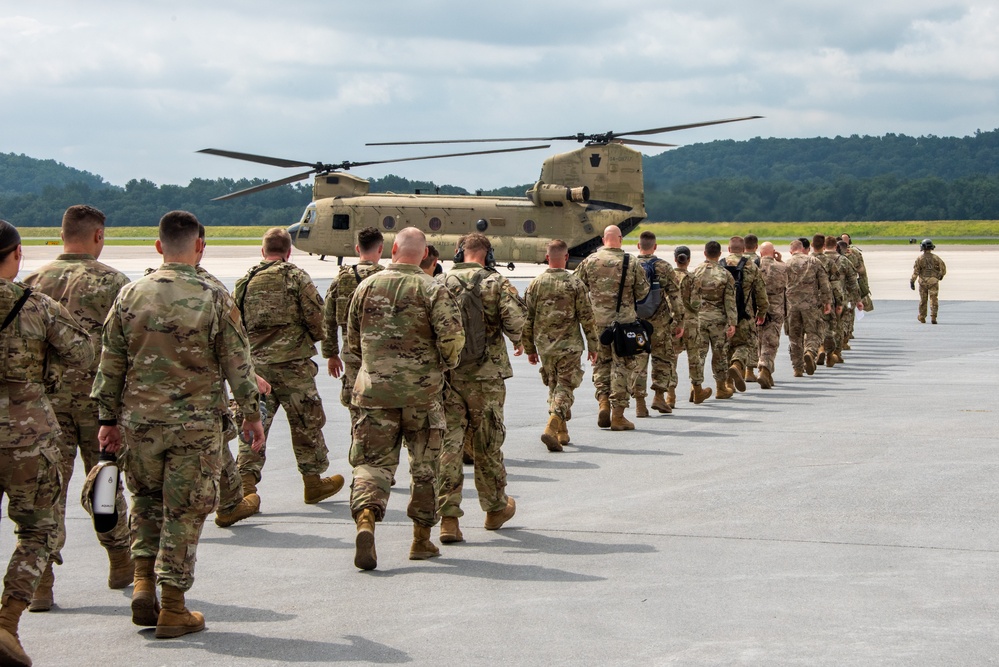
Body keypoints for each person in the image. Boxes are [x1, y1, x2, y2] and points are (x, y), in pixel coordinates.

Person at [93, 210, 264, 638]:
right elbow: (238, 366)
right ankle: (172, 607)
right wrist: (251, 416)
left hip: (140, 424)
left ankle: (142, 582)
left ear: (158, 247)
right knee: (185, 513)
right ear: (200, 246)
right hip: (195, 425)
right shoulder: (214, 295)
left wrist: (108, 420)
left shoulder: (130, 294)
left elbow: (110, 364)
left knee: (146, 504)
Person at [21, 205, 132, 612]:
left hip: (45, 406)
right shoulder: (114, 283)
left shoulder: (33, 281)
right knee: (105, 482)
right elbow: (125, 348)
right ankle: (120, 559)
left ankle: (40, 581)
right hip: (98, 404)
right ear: (98, 236)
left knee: (45, 491)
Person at [0, 219, 94, 667]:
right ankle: (7, 621)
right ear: (16, 255)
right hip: (28, 433)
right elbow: (83, 352)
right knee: (38, 530)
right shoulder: (35, 305)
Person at [346, 227, 464, 570]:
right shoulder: (432, 289)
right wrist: (439, 366)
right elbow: (452, 342)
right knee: (425, 468)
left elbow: (352, 341)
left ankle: (366, 518)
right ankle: (420, 540)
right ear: (425, 253)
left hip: (374, 393)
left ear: (393, 249)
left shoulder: (365, 287)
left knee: (371, 463)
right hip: (422, 395)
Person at [235, 228, 343, 506]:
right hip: (294, 368)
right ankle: (312, 483)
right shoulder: (296, 277)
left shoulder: (245, 282)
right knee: (306, 424)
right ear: (288, 252)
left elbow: (235, 328)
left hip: (257, 370)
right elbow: (317, 319)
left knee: (253, 424)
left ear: (263, 251)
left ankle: (246, 485)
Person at [438, 232, 526, 543]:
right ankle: (494, 510)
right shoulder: (495, 282)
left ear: (459, 252)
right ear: (487, 255)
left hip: (447, 377)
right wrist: (520, 343)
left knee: (449, 445)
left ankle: (449, 519)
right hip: (486, 377)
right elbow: (518, 323)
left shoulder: (439, 282)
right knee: (488, 444)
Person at [523, 239, 598, 452]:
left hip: (545, 347)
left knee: (554, 387)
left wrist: (529, 348)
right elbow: (587, 318)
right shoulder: (575, 283)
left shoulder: (535, 284)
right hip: (570, 346)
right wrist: (594, 346)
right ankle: (552, 426)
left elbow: (527, 319)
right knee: (565, 388)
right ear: (566, 257)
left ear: (547, 258)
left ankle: (561, 432)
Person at [575, 225, 650, 430]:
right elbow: (643, 292)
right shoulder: (631, 262)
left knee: (601, 364)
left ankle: (603, 402)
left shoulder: (590, 261)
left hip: (598, 322)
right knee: (622, 367)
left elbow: (578, 288)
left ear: (602, 239)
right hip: (624, 325)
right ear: (620, 239)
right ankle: (618, 415)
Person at [323, 227, 385, 431]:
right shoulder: (387, 278)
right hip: (382, 355)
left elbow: (328, 319)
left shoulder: (341, 279)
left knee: (355, 407)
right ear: (381, 249)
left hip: (351, 353)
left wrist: (331, 354)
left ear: (357, 248)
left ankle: (358, 454)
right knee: (382, 409)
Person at [632, 231, 683, 416]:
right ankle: (659, 397)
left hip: (635, 323)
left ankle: (639, 403)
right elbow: (675, 296)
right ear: (655, 246)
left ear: (639, 246)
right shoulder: (664, 266)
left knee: (638, 361)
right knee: (663, 359)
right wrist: (679, 321)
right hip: (659, 323)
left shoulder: (630, 265)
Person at [691, 241, 737, 400]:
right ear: (719, 254)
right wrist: (733, 322)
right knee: (720, 354)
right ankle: (721, 388)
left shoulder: (696, 272)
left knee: (699, 355)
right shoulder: (725, 274)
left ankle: (696, 387)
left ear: (705, 253)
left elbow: (690, 298)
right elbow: (730, 300)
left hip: (699, 318)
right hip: (718, 320)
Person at [723, 236, 768, 392]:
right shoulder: (750, 266)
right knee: (745, 344)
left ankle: (727, 384)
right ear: (743, 250)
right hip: (745, 314)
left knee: (725, 348)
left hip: (723, 316)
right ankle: (737, 364)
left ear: (728, 249)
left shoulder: (721, 265)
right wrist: (761, 312)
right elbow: (760, 293)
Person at [784, 239, 832, 377]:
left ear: (791, 251)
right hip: (810, 304)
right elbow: (824, 283)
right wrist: (827, 302)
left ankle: (797, 368)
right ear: (804, 249)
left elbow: (781, 287)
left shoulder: (786, 264)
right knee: (814, 332)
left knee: (794, 337)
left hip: (792, 306)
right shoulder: (814, 262)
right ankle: (810, 352)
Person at [670, 246, 701, 406]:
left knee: (671, 358)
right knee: (694, 356)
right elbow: (696, 304)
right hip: (690, 323)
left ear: (675, 259)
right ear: (688, 260)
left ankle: (670, 395)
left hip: (673, 321)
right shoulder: (693, 278)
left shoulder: (669, 277)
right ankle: (697, 390)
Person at [755, 242, 787, 388]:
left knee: (759, 339)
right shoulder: (781, 267)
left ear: (760, 253)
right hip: (775, 308)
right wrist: (779, 261)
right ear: (773, 252)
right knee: (771, 341)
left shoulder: (753, 267)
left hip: (756, 308)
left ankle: (761, 367)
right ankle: (765, 368)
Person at [742, 234, 763, 383]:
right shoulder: (757, 262)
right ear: (756, 246)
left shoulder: (729, 261)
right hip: (751, 305)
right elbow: (761, 287)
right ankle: (749, 370)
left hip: (733, 306)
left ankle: (737, 366)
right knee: (751, 338)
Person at [911, 239, 946, 324]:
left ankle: (922, 316)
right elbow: (943, 268)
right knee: (933, 299)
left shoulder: (919, 258)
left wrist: (912, 281)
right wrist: (940, 276)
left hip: (923, 282)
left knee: (923, 300)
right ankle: (933, 316)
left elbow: (916, 272)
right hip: (933, 282)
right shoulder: (936, 258)